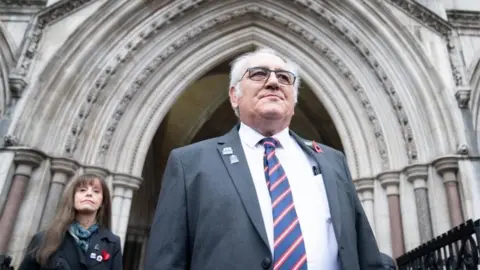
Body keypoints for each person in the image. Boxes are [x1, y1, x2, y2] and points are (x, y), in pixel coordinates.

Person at [144, 47, 384, 269]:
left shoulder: (332, 161)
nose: (273, 82)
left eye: (284, 78)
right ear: (234, 95)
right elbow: (166, 260)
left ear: (293, 98)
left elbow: (365, 251)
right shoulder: (190, 163)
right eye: (258, 74)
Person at [19, 174, 123, 270]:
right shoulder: (43, 239)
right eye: (82, 190)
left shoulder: (112, 243)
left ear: (102, 201)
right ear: (72, 198)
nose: (89, 193)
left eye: (96, 191)